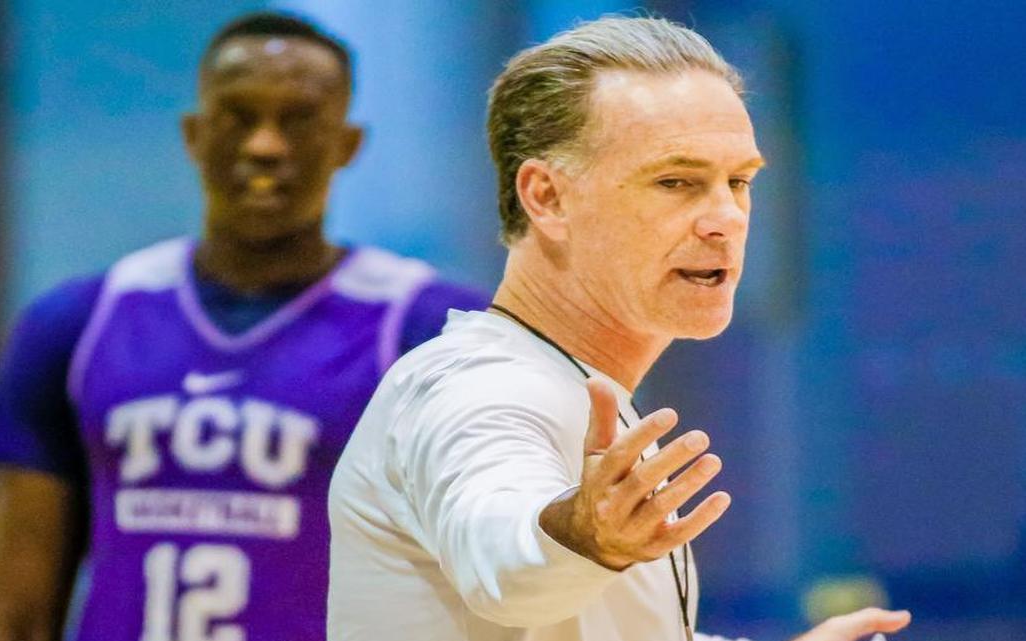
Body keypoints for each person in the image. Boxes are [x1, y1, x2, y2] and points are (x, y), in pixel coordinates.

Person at [327, 16, 911, 641]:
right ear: (546, 197)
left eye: (738, 181)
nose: (725, 220)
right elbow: (502, 559)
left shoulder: (562, 380)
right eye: (675, 182)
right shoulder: (478, 387)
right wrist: (581, 536)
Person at [0, 11, 488, 641]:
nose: (265, 145)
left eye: (298, 119)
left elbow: (493, 571)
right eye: (238, 117)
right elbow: (14, 611)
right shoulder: (77, 323)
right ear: (193, 133)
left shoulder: (429, 330)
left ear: (348, 144)